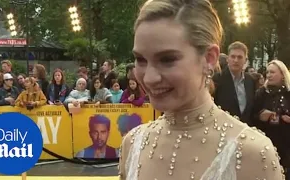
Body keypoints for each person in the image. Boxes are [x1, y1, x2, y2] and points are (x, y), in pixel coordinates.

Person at [119, 0, 284, 180]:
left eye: (167, 59)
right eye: (141, 60)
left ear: (209, 58)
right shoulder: (133, 143)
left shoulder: (253, 153)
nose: (149, 78)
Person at [253, 60, 290, 179]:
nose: (268, 75)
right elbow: (251, 117)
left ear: (282, 74)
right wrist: (260, 116)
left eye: (272, 72)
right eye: (267, 72)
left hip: (286, 144)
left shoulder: (288, 94)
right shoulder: (261, 93)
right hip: (266, 142)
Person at [213, 41, 256, 125]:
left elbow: (251, 110)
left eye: (240, 57)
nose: (236, 60)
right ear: (227, 59)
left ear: (245, 60)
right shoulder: (217, 79)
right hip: (223, 130)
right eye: (233, 57)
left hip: (244, 131)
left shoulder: (250, 80)